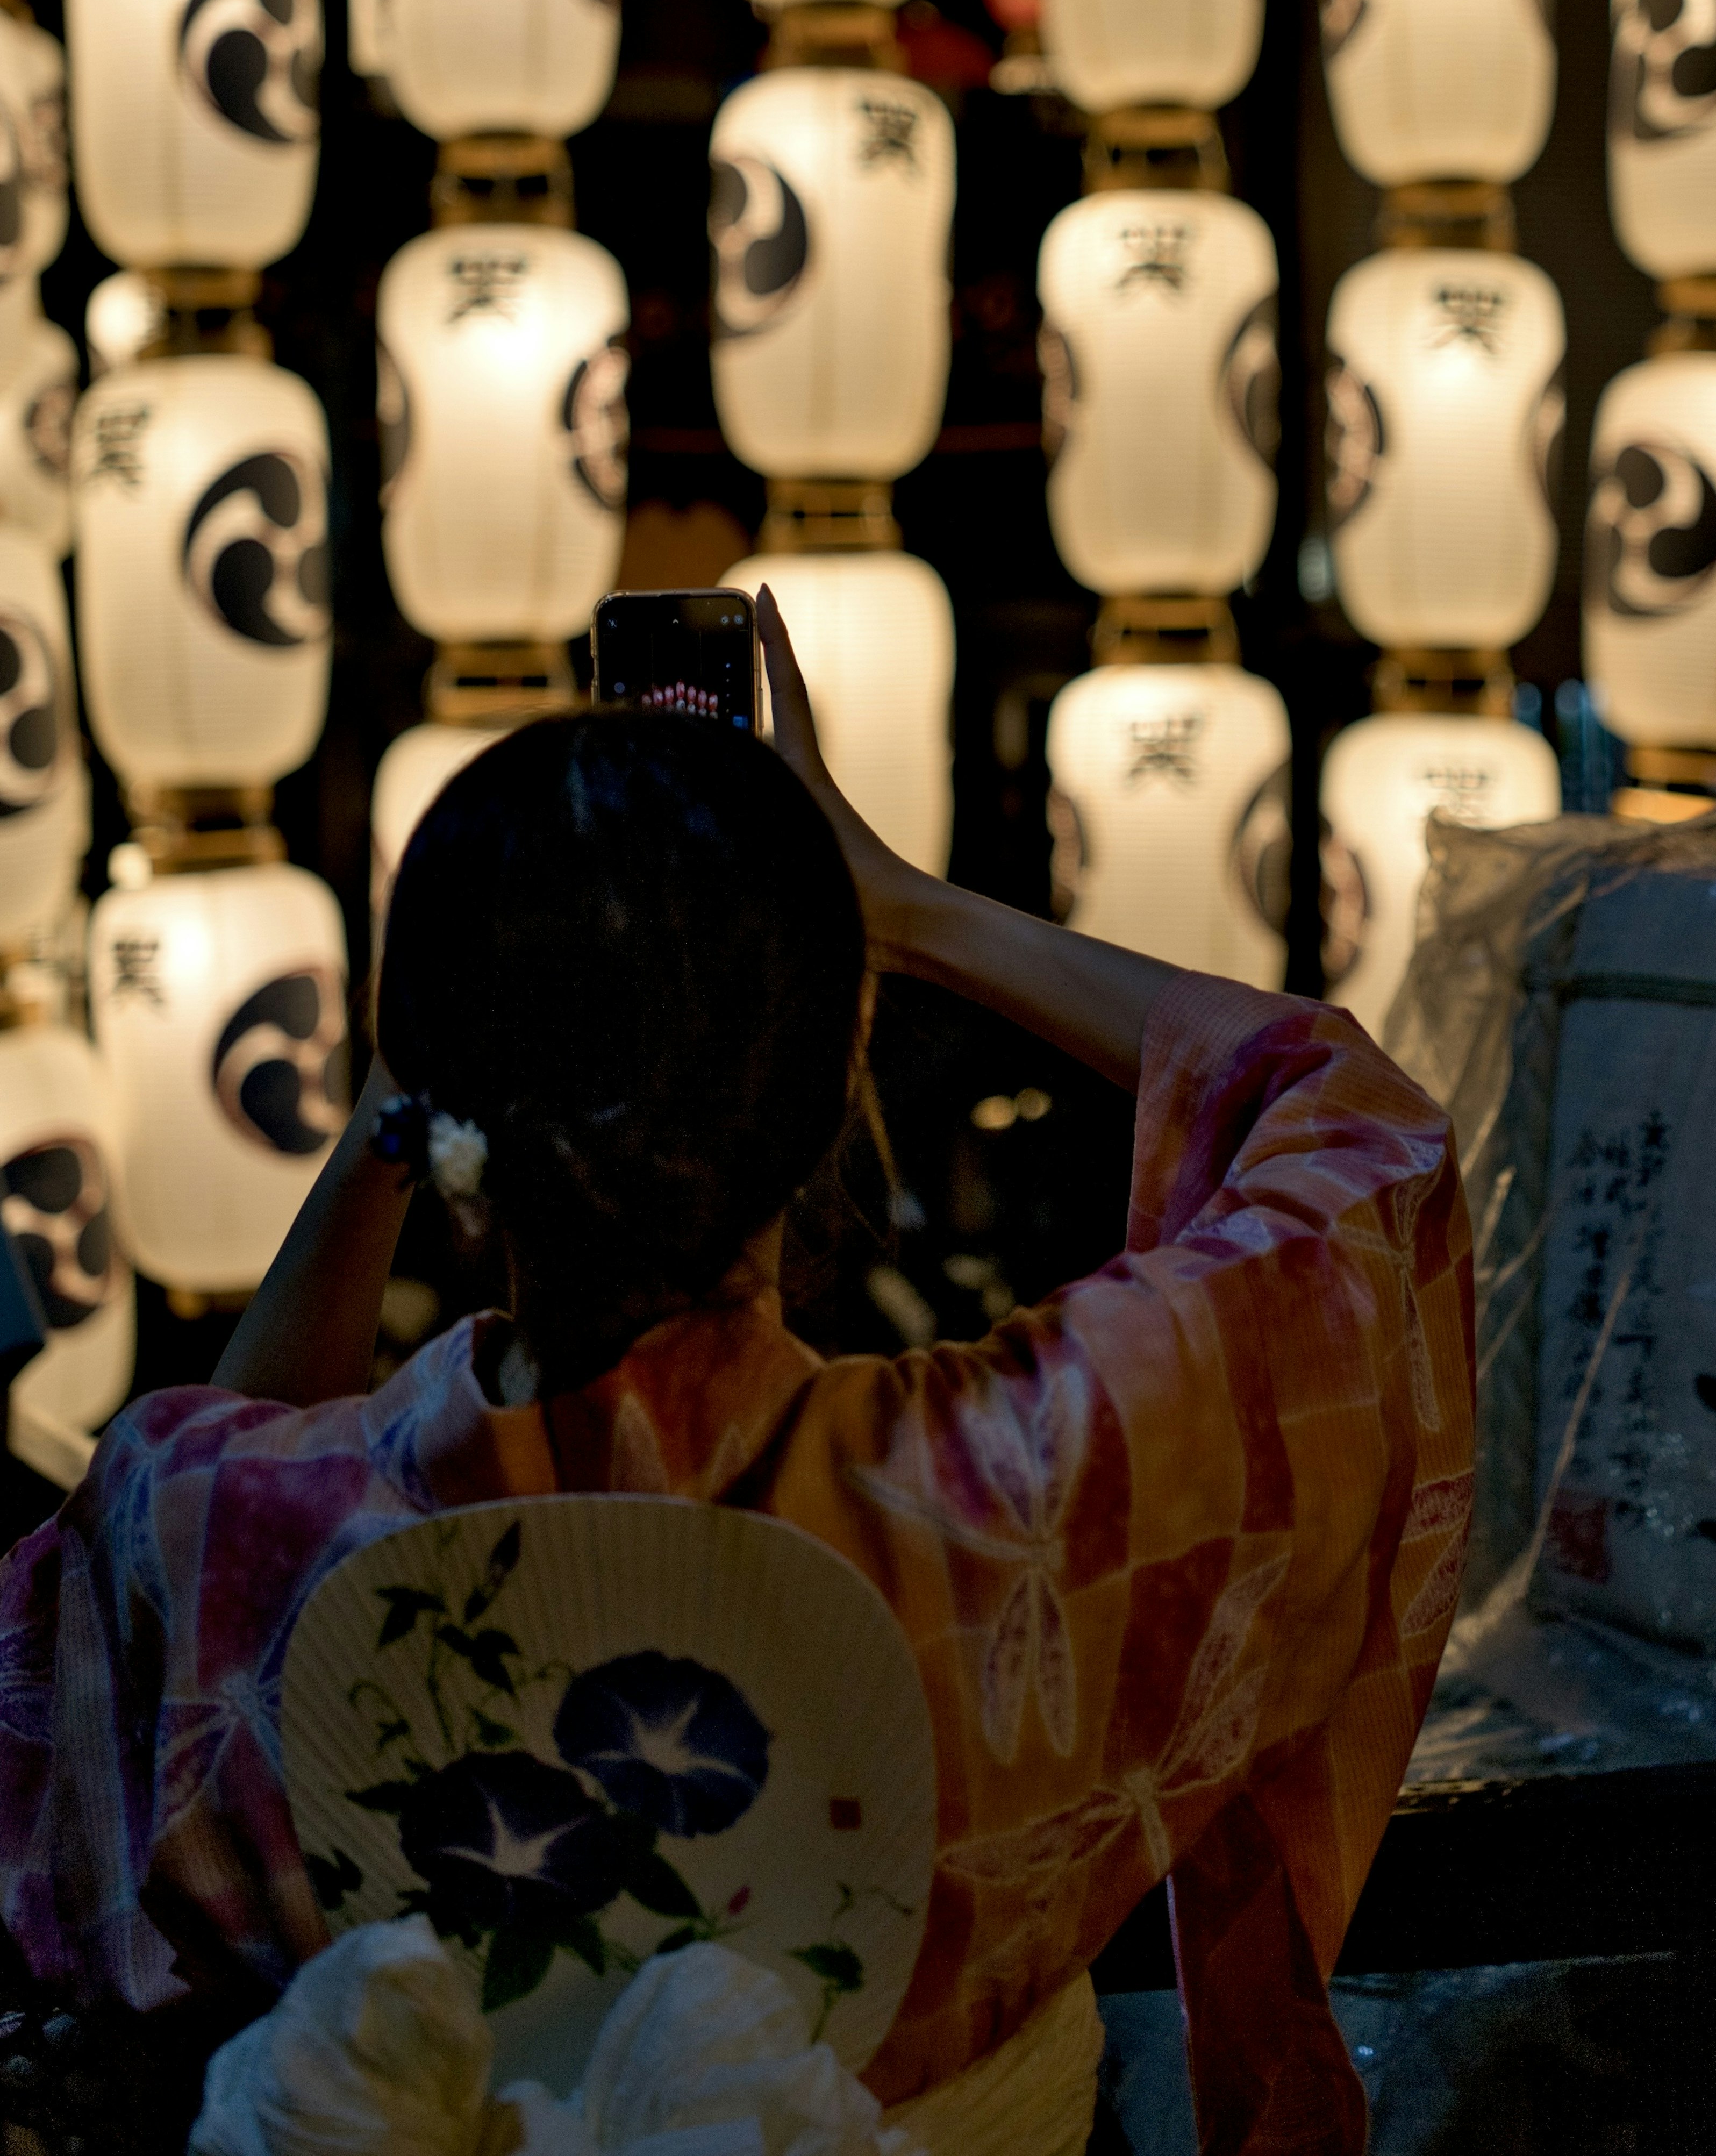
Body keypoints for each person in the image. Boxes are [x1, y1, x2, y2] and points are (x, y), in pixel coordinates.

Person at [0, 596, 1474, 2155]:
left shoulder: (218, 1522)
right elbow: (1359, 1129)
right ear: (837, 1070)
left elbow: (249, 1445)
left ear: (436, 1095)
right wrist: (913, 911)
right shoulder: (1023, 1489)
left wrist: (412, 1074)